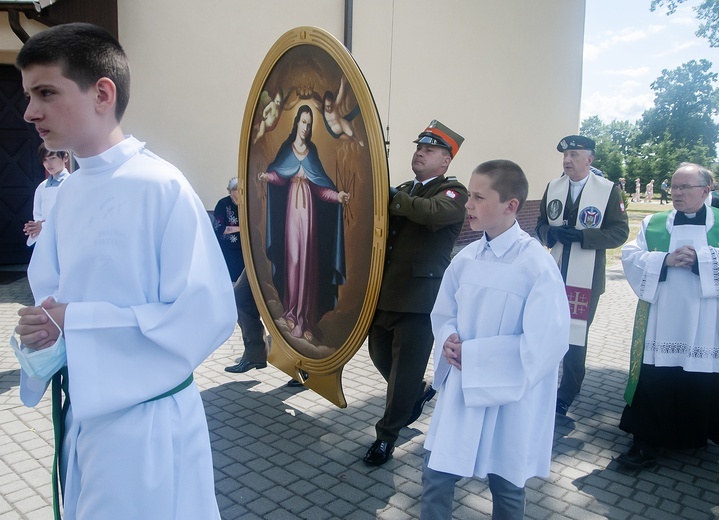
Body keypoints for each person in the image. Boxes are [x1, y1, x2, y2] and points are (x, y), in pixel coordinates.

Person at [13, 23, 236, 519]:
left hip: (148, 423)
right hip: (86, 415)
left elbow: (206, 313)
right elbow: (52, 300)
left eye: (45, 92)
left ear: (102, 93)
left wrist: (77, 320)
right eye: (29, 95)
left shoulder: (160, 187)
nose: (30, 112)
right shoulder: (68, 194)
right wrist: (45, 331)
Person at [421, 160, 570, 520]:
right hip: (462, 388)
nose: (467, 204)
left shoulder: (536, 265)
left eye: (477, 197)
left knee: (506, 486)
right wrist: (448, 337)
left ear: (511, 205)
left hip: (510, 396)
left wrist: (476, 356)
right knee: (436, 475)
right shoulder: (466, 258)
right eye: (468, 196)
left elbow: (548, 342)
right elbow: (444, 312)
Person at [363, 120, 468, 466]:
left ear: (446, 161)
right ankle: (417, 394)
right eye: (419, 147)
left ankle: (386, 437)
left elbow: (431, 214)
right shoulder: (406, 188)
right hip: (387, 293)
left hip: (421, 299)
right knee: (380, 356)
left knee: (403, 374)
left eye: (430, 149)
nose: (420, 152)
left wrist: (394, 197)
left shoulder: (453, 192)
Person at [617, 162, 719, 469]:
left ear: (706, 190)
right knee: (656, 376)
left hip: (708, 323)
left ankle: (701, 432)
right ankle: (645, 442)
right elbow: (631, 256)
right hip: (662, 320)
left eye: (684, 187)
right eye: (672, 186)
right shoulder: (655, 223)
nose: (676, 192)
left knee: (705, 379)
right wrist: (664, 260)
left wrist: (702, 259)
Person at [535, 135, 629, 416]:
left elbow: (620, 232)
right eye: (565, 155)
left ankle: (567, 393)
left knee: (575, 336)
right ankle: (541, 384)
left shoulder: (608, 190)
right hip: (555, 271)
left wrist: (583, 236)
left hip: (586, 277)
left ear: (590, 159)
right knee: (547, 330)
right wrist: (551, 233)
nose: (567, 160)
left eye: (575, 155)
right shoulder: (554, 187)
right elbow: (540, 223)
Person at [258, 104, 350, 343]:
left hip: (308, 215)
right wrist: (268, 177)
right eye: (303, 122)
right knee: (293, 260)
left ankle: (305, 318)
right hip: (291, 213)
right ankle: (291, 313)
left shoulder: (312, 153)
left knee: (307, 264)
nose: (305, 127)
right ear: (296, 122)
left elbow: (321, 189)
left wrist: (337, 196)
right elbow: (279, 175)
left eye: (309, 124)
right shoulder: (288, 151)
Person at [23, 144, 70, 246]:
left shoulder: (71, 183)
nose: (48, 164)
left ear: (65, 157)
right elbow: (37, 213)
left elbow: (71, 214)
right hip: (46, 237)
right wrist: (36, 226)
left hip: (66, 236)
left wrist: (44, 226)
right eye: (45, 160)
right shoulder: (42, 186)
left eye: (52, 158)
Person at [213, 177, 245, 282]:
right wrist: (242, 228)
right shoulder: (223, 204)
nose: (240, 192)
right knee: (231, 277)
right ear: (231, 192)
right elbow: (219, 228)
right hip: (228, 248)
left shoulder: (246, 203)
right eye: (237, 190)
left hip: (245, 247)